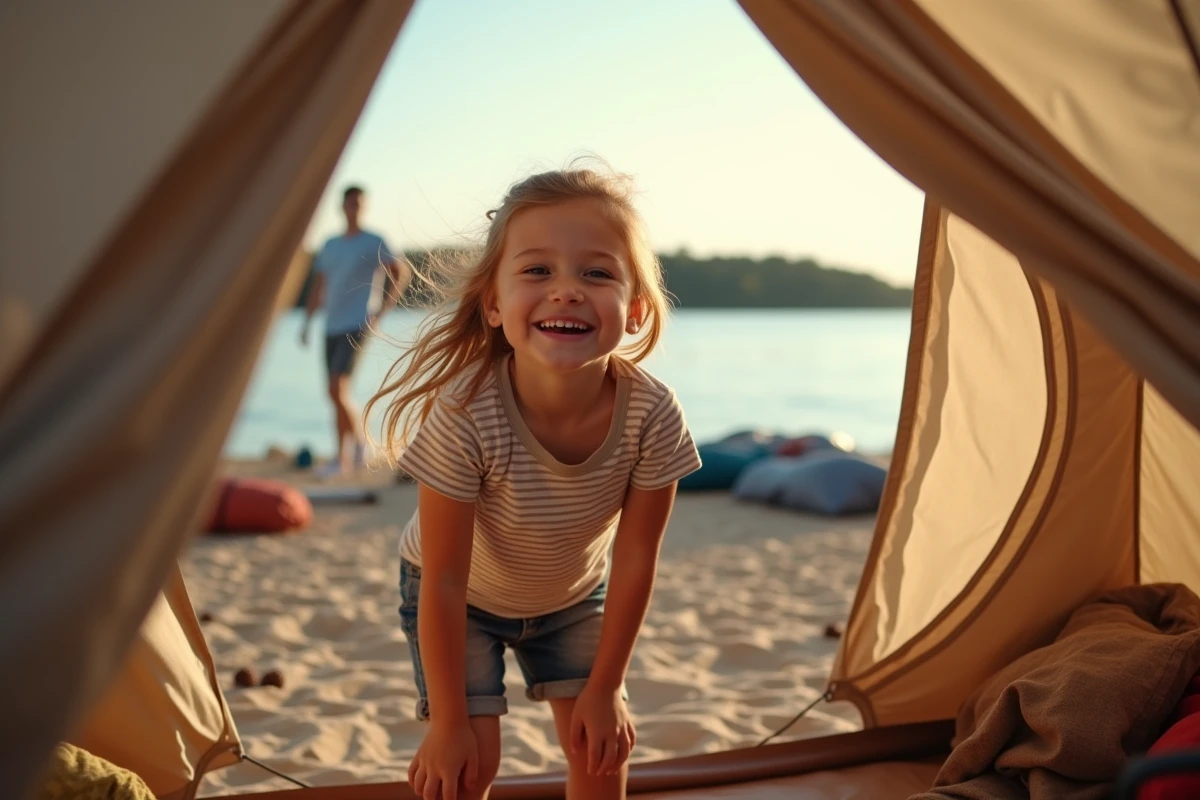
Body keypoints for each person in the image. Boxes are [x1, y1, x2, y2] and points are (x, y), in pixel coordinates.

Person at [364, 165, 702, 800]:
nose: (567, 291)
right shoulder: (466, 412)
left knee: (601, 754)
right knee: (466, 764)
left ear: (632, 311)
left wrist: (605, 691)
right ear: (494, 304)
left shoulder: (651, 413)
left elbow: (634, 558)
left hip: (573, 599)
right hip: (459, 602)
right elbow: (441, 578)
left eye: (596, 273)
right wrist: (448, 723)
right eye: (538, 270)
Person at [301, 185, 409, 478]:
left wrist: (383, 310)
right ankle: (356, 448)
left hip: (357, 324)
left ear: (364, 207)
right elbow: (319, 284)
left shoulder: (374, 241)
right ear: (342, 206)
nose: (354, 208)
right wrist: (306, 323)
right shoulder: (330, 244)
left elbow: (401, 272)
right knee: (335, 393)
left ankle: (344, 456)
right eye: (350, 203)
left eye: (359, 204)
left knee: (337, 387)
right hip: (331, 325)